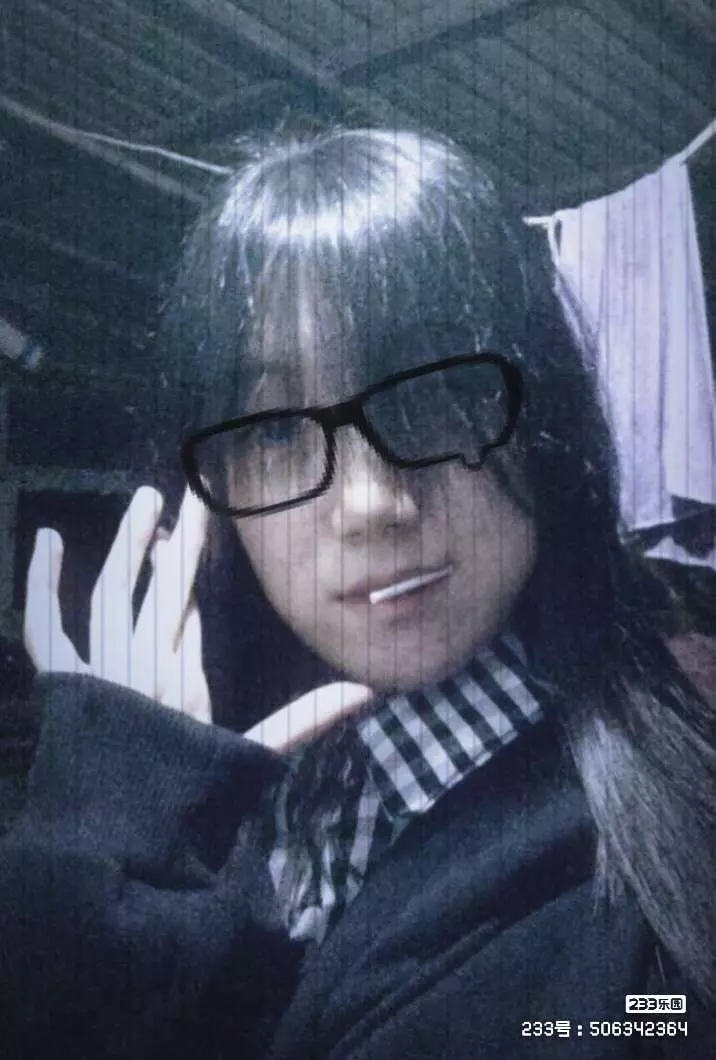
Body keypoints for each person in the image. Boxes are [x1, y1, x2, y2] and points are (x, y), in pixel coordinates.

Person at [4, 122, 716, 1059]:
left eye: (437, 391)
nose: (373, 502)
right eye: (272, 431)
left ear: (544, 418)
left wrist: (90, 885)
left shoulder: (637, 934)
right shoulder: (273, 782)